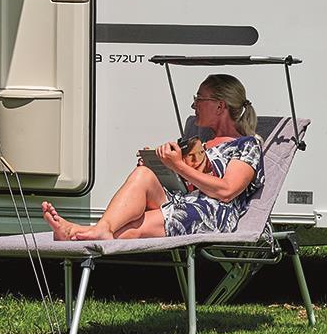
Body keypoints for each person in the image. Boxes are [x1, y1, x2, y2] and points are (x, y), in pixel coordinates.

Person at [43, 74, 263, 244]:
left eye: (199, 99)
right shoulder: (200, 145)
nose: (194, 105)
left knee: (136, 229)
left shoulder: (246, 145)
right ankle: (100, 228)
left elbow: (226, 191)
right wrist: (159, 166)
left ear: (220, 106)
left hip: (212, 212)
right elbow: (185, 183)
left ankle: (78, 233)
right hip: (183, 200)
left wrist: (178, 165)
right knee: (144, 174)